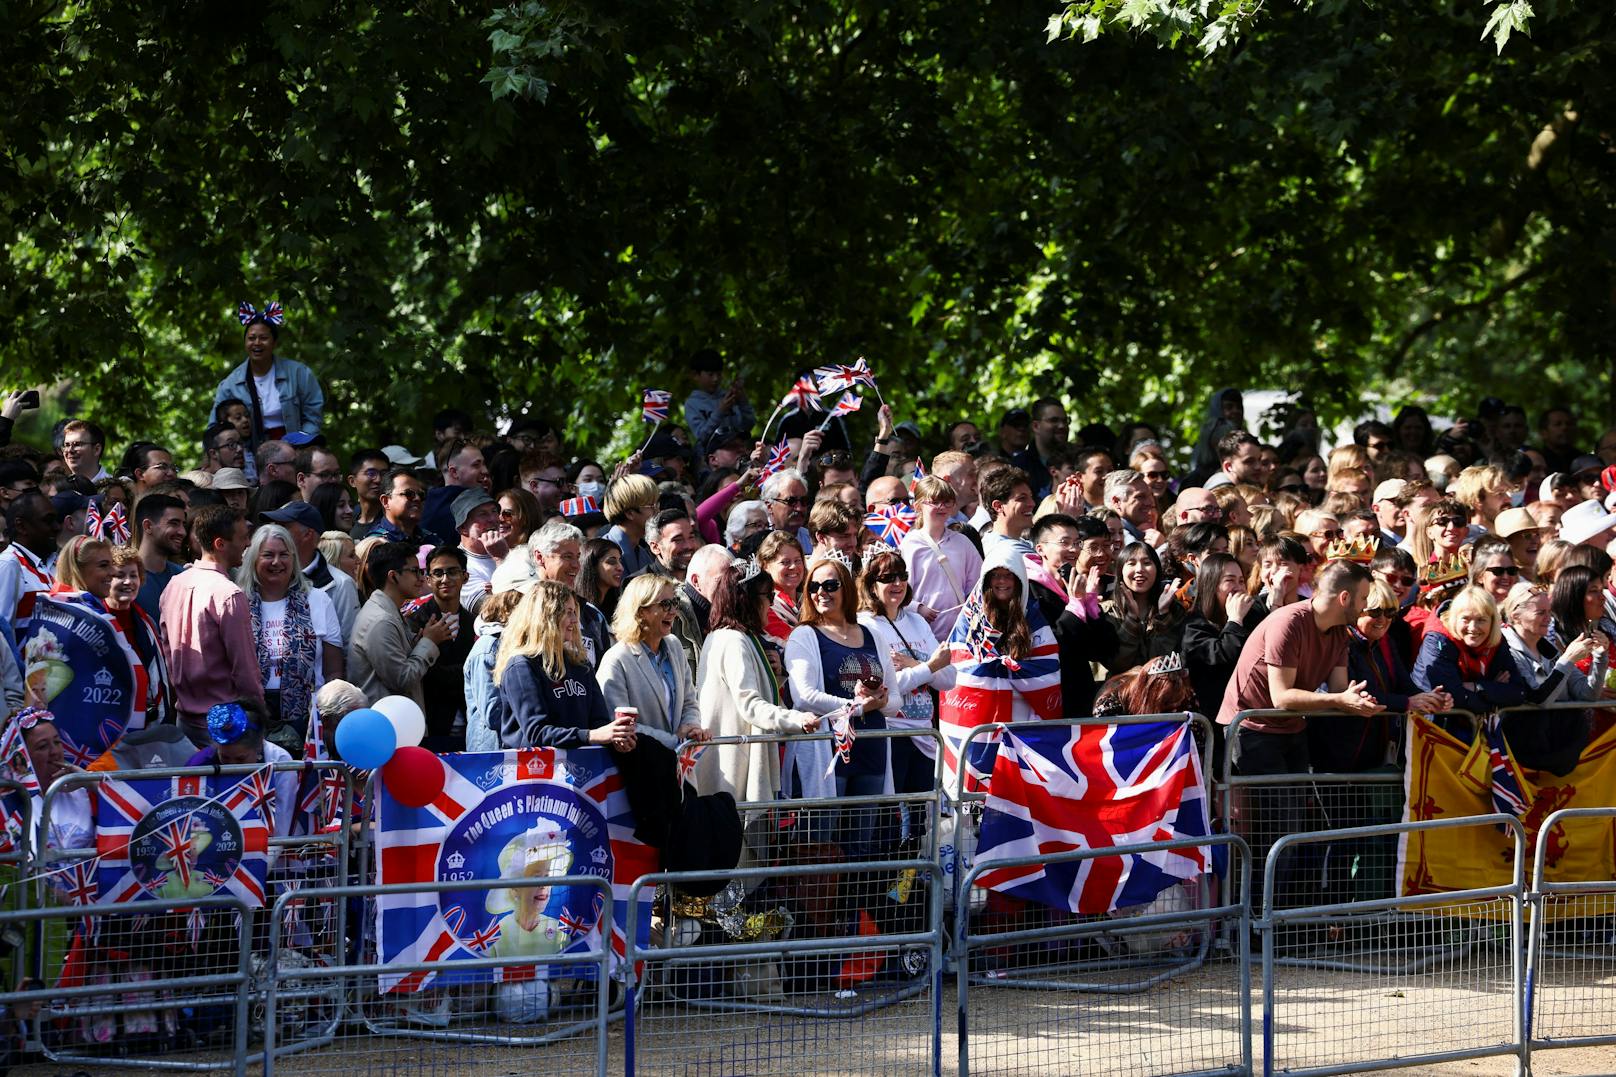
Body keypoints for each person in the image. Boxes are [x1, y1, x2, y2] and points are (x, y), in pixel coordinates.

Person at [1217, 559, 1383, 775]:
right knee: (1274, 808)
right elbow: (1282, 698)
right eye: (1363, 599)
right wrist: (1340, 700)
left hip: (1292, 727)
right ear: (1344, 598)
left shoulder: (1340, 632)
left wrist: (1355, 700)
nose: (1364, 607)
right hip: (1252, 728)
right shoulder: (1288, 623)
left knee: (1295, 807)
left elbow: (1338, 689)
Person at [784, 554, 899, 836]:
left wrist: (880, 701)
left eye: (830, 585)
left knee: (861, 848)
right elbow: (804, 696)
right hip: (829, 753)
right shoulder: (805, 635)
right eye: (813, 586)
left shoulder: (873, 634)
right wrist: (857, 707)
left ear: (846, 587)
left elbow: (896, 701)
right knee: (820, 846)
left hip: (871, 749)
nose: (821, 592)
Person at [693, 563, 822, 802]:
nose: (772, 603)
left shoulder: (738, 636)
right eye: (768, 596)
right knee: (743, 837)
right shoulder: (733, 640)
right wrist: (797, 719)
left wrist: (774, 674)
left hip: (738, 756)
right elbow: (750, 704)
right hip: (736, 764)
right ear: (747, 599)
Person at [1309, 578, 1452, 773]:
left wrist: (1431, 698)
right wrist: (1408, 703)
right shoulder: (1341, 642)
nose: (1383, 620)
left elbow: (1404, 684)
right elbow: (1360, 694)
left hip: (1374, 745)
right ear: (1357, 611)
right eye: (1375, 612)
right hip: (1338, 746)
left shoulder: (1385, 642)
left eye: (1390, 612)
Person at [1412, 585, 1571, 744]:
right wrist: (1494, 692)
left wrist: (1477, 687)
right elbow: (1454, 697)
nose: (1473, 628)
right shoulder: (1437, 641)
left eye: (1481, 620)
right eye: (1466, 619)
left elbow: (1518, 693)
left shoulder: (1496, 640)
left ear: (1492, 622)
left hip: (1472, 731)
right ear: (1454, 619)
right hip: (1432, 730)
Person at [160, 505, 263, 746]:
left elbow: (167, 656)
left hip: (183, 720)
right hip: (226, 727)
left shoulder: (174, 584)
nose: (248, 544)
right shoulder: (228, 595)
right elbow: (245, 669)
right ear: (220, 544)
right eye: (243, 537)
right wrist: (259, 717)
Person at [235, 522, 343, 750]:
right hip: (249, 715)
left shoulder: (318, 600)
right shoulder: (238, 602)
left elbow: (333, 670)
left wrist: (329, 714)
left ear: (293, 560)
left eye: (284, 554)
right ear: (254, 559)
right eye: (268, 555)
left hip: (307, 718)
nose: (277, 562)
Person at [857, 549, 953, 795]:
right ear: (871, 584)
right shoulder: (865, 625)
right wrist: (929, 666)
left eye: (902, 575)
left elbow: (949, 679)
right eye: (888, 578)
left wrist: (913, 664)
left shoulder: (917, 621)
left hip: (924, 732)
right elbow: (889, 686)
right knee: (888, 814)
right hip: (890, 731)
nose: (897, 583)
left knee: (920, 814)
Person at [1501, 581, 1606, 773]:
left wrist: (1600, 656)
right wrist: (1567, 660)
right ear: (1516, 615)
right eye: (1540, 613)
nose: (1548, 619)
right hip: (1527, 754)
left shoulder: (1549, 649)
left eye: (1549, 612)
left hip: (1560, 747)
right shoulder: (1507, 652)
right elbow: (1540, 699)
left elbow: (1587, 695)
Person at [597, 574, 707, 751]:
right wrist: (673, 740)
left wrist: (692, 728)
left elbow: (689, 701)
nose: (673, 611)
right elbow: (621, 726)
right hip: (642, 764)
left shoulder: (674, 645)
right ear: (641, 612)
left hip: (678, 764)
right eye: (665, 604)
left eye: (675, 602)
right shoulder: (617, 659)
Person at [1025, 513, 1118, 718]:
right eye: (1064, 542)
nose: (1073, 550)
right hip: (1045, 700)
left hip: (1079, 697)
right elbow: (1053, 646)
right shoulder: (1028, 590)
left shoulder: (1075, 583)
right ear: (1041, 549)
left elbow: (1105, 650)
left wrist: (1091, 604)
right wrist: (1075, 606)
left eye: (1077, 543)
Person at [347, 541, 452, 709]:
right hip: (387, 727)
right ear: (393, 576)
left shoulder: (387, 611)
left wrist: (419, 641)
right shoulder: (381, 621)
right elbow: (403, 680)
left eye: (422, 571)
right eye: (415, 571)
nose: (421, 578)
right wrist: (429, 643)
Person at [184, 702, 301, 840]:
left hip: (266, 846)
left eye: (240, 759)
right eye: (225, 757)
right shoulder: (198, 765)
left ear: (259, 746)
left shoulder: (280, 761)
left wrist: (263, 859)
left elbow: (282, 825)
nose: (232, 766)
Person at [1182, 553, 1266, 743]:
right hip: (1213, 724)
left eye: (1241, 581)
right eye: (1230, 580)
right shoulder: (1194, 624)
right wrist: (1234, 621)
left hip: (1250, 719)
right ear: (1211, 585)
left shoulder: (1251, 617)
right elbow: (1220, 656)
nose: (1238, 587)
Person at [213, 303, 324, 446]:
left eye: (263, 338)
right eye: (251, 338)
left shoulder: (299, 373)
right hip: (251, 455)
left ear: (274, 343)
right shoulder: (230, 384)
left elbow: (314, 415)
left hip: (296, 448)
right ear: (245, 342)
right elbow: (215, 427)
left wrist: (301, 442)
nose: (257, 343)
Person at [404, 545, 477, 751]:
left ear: (465, 576)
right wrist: (463, 672)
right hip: (429, 723)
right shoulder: (415, 622)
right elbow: (422, 673)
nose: (445, 579)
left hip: (469, 725)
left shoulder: (475, 623)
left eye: (452, 572)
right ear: (428, 579)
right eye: (438, 573)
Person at [264, 500, 359, 645]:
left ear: (308, 534)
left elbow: (349, 646)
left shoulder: (341, 585)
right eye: (275, 525)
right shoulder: (265, 577)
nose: (275, 532)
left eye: (283, 527)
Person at [901, 475, 982, 642]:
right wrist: (918, 608)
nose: (941, 507)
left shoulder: (962, 542)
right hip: (921, 632)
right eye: (934, 501)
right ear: (918, 505)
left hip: (960, 632)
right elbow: (899, 589)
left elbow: (977, 585)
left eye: (947, 502)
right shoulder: (910, 544)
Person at [1103, 541, 1185, 675]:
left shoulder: (1175, 609)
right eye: (1131, 563)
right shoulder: (1108, 612)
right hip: (1121, 692)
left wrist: (1163, 615)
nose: (1139, 569)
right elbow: (1117, 665)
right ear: (1120, 571)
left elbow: (1164, 662)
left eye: (1147, 563)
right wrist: (1131, 620)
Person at [464, 588, 527, 754]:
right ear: (508, 610)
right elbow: (492, 713)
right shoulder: (488, 647)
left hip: (513, 746)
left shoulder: (518, 644)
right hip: (490, 749)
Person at [0, 491, 60, 633]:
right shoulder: (8, 564)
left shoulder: (60, 561)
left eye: (56, 520)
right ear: (21, 526)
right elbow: (2, 634)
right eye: (48, 520)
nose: (57, 527)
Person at [450, 487, 510, 613]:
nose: (493, 519)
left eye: (494, 511)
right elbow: (494, 611)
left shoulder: (512, 551)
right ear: (463, 528)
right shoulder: (458, 566)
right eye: (483, 514)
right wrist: (502, 560)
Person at [682, 349, 756, 447]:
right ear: (696, 375)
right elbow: (702, 437)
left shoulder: (728, 396)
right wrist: (720, 411)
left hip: (738, 451)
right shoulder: (692, 404)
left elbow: (748, 425)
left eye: (719, 374)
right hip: (713, 458)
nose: (716, 379)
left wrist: (743, 401)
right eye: (710, 374)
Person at [602, 473, 660, 578]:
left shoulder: (642, 551)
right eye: (651, 506)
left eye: (657, 505)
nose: (657, 511)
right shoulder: (603, 554)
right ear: (630, 513)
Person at [366, 468, 442, 546]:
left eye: (421, 495)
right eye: (409, 494)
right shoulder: (376, 544)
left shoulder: (431, 539)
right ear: (385, 501)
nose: (417, 498)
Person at [757, 530, 806, 648]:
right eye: (785, 562)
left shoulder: (810, 598)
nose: (794, 566)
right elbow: (795, 644)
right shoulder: (767, 605)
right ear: (766, 565)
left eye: (798, 560)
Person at [979, 465, 1036, 556]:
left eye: (1031, 497)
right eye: (1022, 498)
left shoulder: (1023, 544)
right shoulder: (1002, 549)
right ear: (998, 506)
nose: (1032, 503)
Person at [758, 468, 814, 555]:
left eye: (803, 501)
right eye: (791, 501)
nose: (799, 508)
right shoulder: (755, 540)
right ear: (769, 506)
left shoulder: (813, 541)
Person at [576, 537, 625, 624]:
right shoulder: (575, 607)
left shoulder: (620, 606)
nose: (621, 568)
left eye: (620, 561)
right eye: (611, 562)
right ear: (592, 566)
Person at [346, 449, 391, 538]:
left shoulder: (393, 521)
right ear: (352, 481)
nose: (378, 480)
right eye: (371, 473)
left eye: (384, 474)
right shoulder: (348, 518)